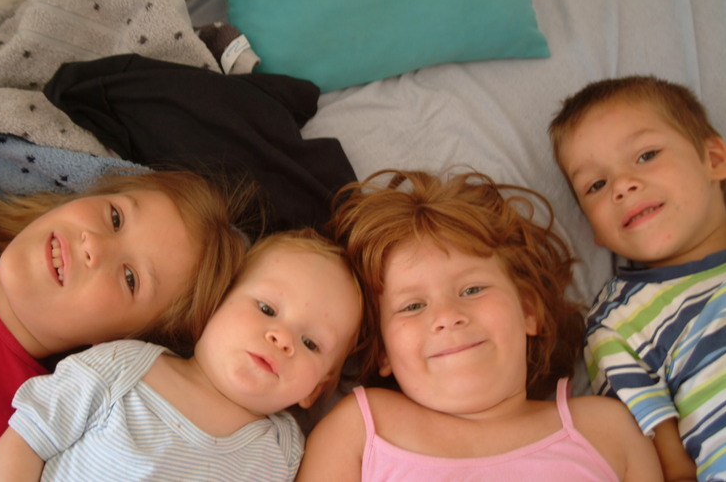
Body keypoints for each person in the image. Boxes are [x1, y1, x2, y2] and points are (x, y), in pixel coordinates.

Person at [296, 169, 662, 481]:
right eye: (412, 306)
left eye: (472, 289)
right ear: (384, 351)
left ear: (528, 310)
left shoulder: (606, 430)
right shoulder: (361, 429)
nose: (446, 316)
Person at [0, 228, 364, 482]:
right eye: (266, 309)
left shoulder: (285, 451)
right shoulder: (121, 366)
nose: (283, 339)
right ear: (214, 303)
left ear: (316, 389)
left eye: (311, 344)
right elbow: (26, 440)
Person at [0, 169, 256, 480]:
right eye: (115, 218)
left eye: (130, 279)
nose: (94, 245)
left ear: (120, 344)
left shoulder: (17, 438)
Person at [548, 75, 726, 481]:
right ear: (593, 227)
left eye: (646, 155)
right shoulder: (617, 324)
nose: (623, 185)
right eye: (596, 185)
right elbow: (671, 469)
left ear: (714, 160)